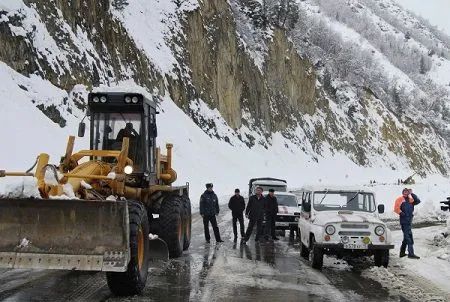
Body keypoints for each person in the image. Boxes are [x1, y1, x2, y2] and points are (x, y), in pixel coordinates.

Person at [394, 187, 421, 259]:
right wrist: (402, 213)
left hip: (409, 220)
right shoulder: (399, 199)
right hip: (404, 221)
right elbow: (396, 208)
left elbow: (418, 201)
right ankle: (411, 254)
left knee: (406, 238)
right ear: (402, 192)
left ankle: (402, 253)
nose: (406, 193)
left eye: (407, 192)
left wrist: (411, 193)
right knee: (409, 237)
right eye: (404, 192)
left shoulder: (410, 200)